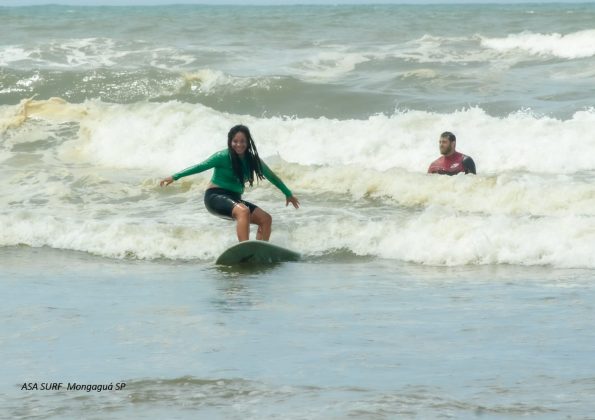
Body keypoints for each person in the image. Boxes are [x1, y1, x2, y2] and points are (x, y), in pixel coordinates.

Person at [160, 125, 299, 242]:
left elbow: (272, 177)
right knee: (243, 211)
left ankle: (258, 251)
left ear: (248, 142)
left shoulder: (252, 160)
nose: (239, 144)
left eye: (243, 141)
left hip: (234, 199)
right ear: (230, 142)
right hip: (215, 197)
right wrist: (175, 176)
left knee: (266, 219)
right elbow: (200, 166)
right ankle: (244, 248)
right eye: (235, 141)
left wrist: (288, 194)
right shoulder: (222, 156)